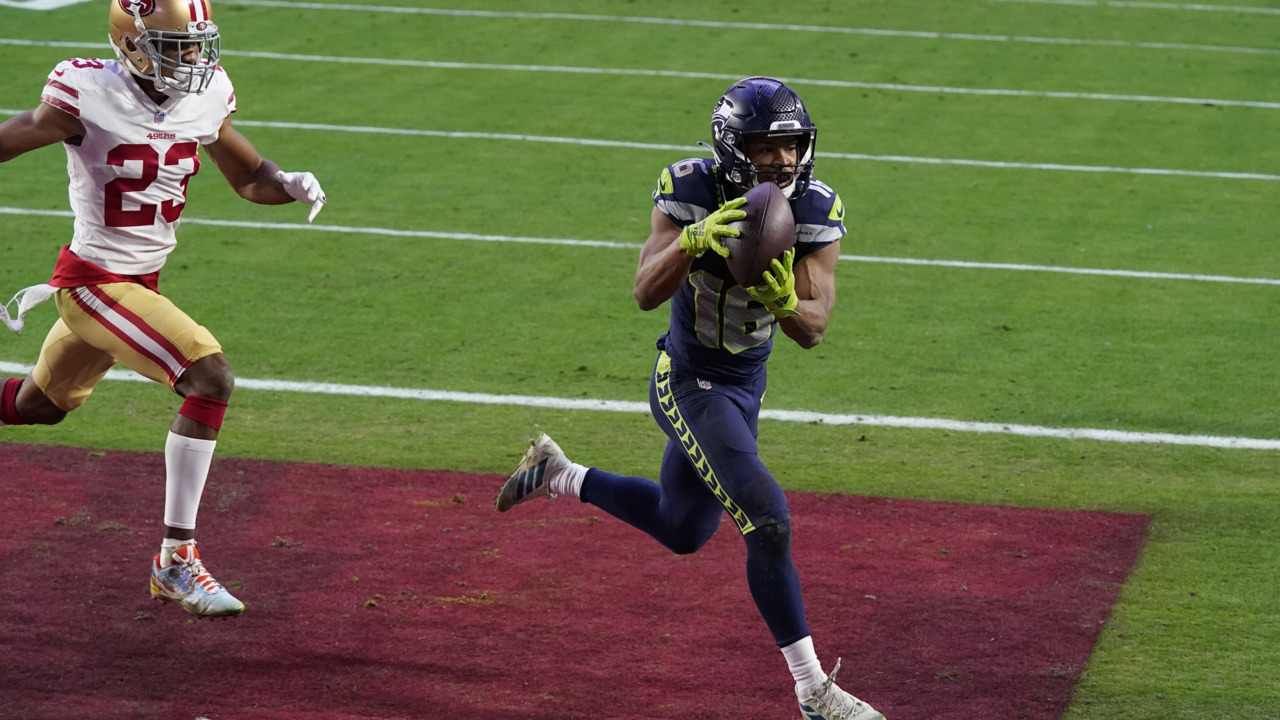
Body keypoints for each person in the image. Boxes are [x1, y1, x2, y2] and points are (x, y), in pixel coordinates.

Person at [496, 77, 885, 720]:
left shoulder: (815, 207)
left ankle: (559, 473)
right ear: (735, 146)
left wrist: (786, 303)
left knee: (683, 528)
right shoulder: (689, 189)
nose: (783, 160)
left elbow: (814, 328)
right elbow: (645, 291)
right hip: (687, 378)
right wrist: (692, 240)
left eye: (790, 146)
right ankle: (814, 691)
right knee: (768, 516)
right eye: (766, 146)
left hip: (746, 386)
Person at [0, 0, 327, 619]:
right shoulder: (87, 91)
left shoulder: (204, 98)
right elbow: (17, 131)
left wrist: (287, 184)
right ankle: (175, 561)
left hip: (136, 288)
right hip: (93, 283)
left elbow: (249, 175)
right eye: (177, 46)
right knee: (209, 375)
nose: (194, 59)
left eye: (199, 44)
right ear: (132, 44)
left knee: (35, 407)